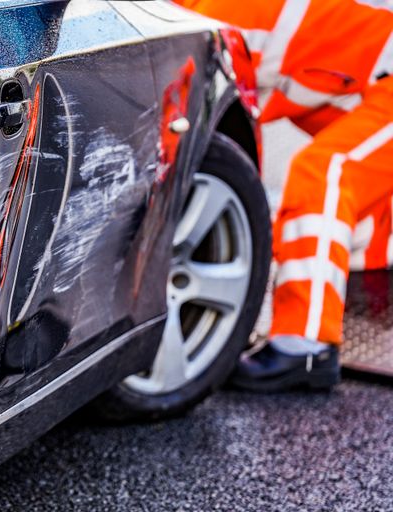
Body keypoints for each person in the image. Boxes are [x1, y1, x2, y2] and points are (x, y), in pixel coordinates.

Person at [175, 0, 393, 391]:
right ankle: (367, 261)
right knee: (357, 168)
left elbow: (212, 121)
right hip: (364, 77)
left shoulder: (195, 20)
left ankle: (305, 345)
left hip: (379, 76)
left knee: (325, 173)